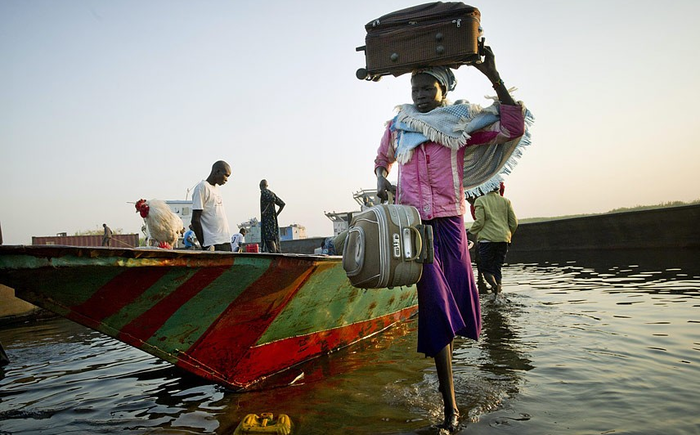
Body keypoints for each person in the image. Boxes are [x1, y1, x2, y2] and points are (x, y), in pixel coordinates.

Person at [373, 46, 529, 432]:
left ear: (444, 90)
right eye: (416, 88)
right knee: (435, 305)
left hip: (449, 223)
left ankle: (451, 396)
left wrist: (492, 74)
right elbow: (382, 158)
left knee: (455, 301)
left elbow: (512, 126)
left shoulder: (460, 125)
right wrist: (381, 177)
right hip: (414, 226)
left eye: (428, 88)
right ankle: (450, 409)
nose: (420, 94)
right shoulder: (398, 126)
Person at [469, 186, 518, 294]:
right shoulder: (506, 201)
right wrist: (507, 235)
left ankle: (495, 286)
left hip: (487, 240)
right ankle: (499, 291)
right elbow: (514, 223)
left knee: (486, 269)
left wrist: (469, 232)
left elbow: (480, 222)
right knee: (497, 267)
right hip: (503, 239)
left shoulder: (480, 201)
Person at [191, 160, 232, 251]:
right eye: (226, 175)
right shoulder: (202, 187)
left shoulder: (216, 189)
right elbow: (195, 220)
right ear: (217, 172)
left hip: (225, 240)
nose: (226, 179)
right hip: (213, 243)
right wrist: (204, 246)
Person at [259, 179, 285, 253]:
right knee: (273, 238)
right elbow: (282, 204)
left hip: (267, 220)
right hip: (273, 220)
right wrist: (276, 215)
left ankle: (274, 255)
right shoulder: (271, 193)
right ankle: (275, 252)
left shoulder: (264, 192)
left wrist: (265, 211)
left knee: (269, 238)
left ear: (260, 186)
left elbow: (272, 200)